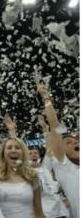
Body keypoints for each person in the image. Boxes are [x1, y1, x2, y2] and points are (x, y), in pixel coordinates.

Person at [37, 82, 79, 218]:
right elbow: (55, 126)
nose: (75, 143)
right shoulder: (64, 165)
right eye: (68, 142)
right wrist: (46, 98)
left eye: (76, 142)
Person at [0, 134, 45, 218]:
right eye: (9, 148)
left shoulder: (32, 177)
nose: (13, 150)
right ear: (3, 154)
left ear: (23, 153)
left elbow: (39, 212)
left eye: (17, 148)